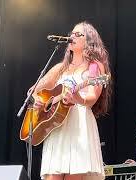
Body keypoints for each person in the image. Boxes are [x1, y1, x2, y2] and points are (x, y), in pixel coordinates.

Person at [29, 21, 112, 180]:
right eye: (71, 33)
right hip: (57, 126)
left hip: (78, 126)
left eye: (78, 34)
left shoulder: (95, 67)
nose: (72, 36)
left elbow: (91, 99)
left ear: (89, 40)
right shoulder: (60, 68)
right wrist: (38, 100)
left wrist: (77, 98)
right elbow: (33, 90)